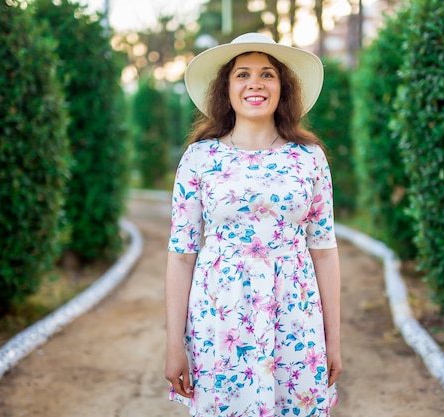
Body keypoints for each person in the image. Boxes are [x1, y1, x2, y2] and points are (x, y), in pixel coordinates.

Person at [164, 32, 342, 417]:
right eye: (242, 74)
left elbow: (325, 252)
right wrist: (174, 345)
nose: (255, 84)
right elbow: (181, 256)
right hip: (220, 316)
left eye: (267, 74)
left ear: (283, 87)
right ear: (226, 89)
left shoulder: (309, 158)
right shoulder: (199, 158)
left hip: (296, 314)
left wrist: (334, 340)